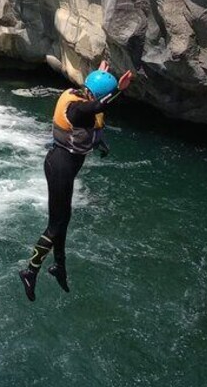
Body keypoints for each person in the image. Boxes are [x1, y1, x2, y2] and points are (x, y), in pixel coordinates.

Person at [19, 61, 133, 301]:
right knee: (55, 225)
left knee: (64, 220)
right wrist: (119, 90)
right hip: (60, 166)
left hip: (62, 165)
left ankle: (59, 267)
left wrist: (99, 74)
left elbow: (95, 110)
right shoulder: (78, 109)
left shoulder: (77, 94)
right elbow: (97, 105)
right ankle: (30, 270)